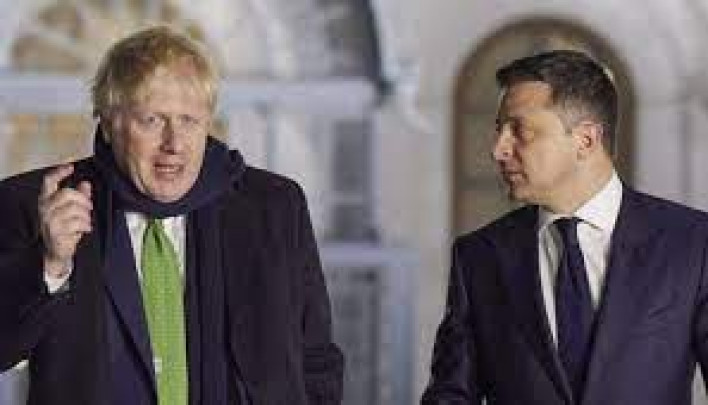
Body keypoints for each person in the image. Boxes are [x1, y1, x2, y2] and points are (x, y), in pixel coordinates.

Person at [0, 26, 343, 405]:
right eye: (152, 120)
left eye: (189, 120)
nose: (174, 144)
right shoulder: (40, 204)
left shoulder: (273, 207)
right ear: (109, 123)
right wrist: (49, 264)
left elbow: (317, 360)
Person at [421, 49, 708, 404]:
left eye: (519, 130)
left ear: (586, 140)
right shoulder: (478, 257)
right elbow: (450, 396)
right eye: (499, 130)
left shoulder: (693, 244)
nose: (498, 150)